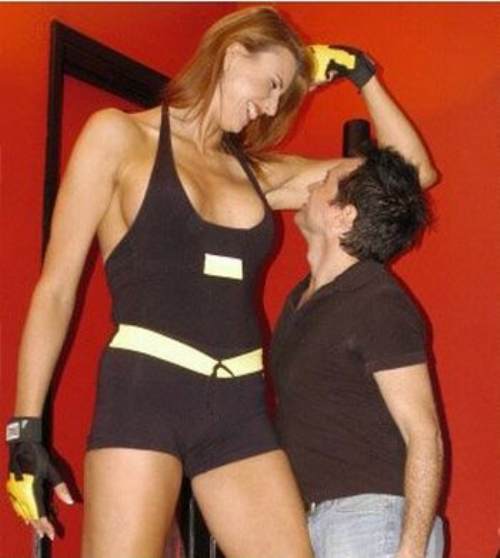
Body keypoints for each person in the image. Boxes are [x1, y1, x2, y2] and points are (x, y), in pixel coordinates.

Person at [5, 6, 436, 558]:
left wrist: (361, 73)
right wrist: (24, 430)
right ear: (234, 54)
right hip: (146, 392)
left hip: (239, 407)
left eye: (283, 95)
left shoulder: (255, 171)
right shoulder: (119, 136)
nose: (272, 107)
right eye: (272, 85)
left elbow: (412, 175)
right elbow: (56, 289)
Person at [271, 144, 444, 558]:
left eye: (324, 182)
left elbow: (424, 434)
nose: (309, 187)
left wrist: (410, 549)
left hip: (372, 521)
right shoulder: (303, 298)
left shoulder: (376, 300)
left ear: (343, 215)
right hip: (312, 522)